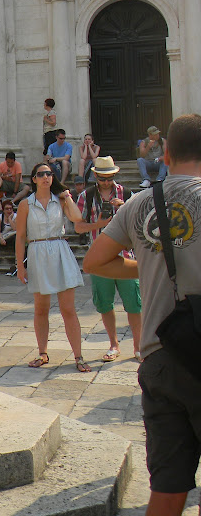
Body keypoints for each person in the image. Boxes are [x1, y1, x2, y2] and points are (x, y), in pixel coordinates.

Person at [83, 114, 201, 516]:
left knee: (166, 489)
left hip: (159, 353)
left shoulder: (138, 203)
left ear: (165, 155)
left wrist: (149, 266)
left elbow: (95, 261)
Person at [15, 162, 90, 373]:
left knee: (68, 309)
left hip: (59, 250)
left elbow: (77, 218)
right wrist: (20, 265)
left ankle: (78, 356)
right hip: (37, 252)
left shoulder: (61, 200)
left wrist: (68, 197)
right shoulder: (26, 205)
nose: (46, 177)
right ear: (34, 179)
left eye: (49, 173)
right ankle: (42, 352)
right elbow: (20, 237)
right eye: (41, 174)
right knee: (41, 308)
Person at [75, 157, 141, 362]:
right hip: (99, 259)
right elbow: (78, 227)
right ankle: (114, 344)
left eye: (110, 178)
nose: (106, 182)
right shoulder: (86, 196)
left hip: (125, 256)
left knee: (134, 303)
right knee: (105, 303)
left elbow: (140, 223)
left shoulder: (128, 194)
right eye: (102, 178)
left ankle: (138, 346)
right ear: (95, 176)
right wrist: (100, 224)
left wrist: (124, 208)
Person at [0, 199, 16, 270]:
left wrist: (10, 219)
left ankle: (17, 260)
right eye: (7, 209)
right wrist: (0, 238)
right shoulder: (0, 217)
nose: (9, 210)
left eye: (10, 209)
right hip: (4, 236)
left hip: (12, 236)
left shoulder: (15, 217)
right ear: (3, 210)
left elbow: (15, 228)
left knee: (17, 238)